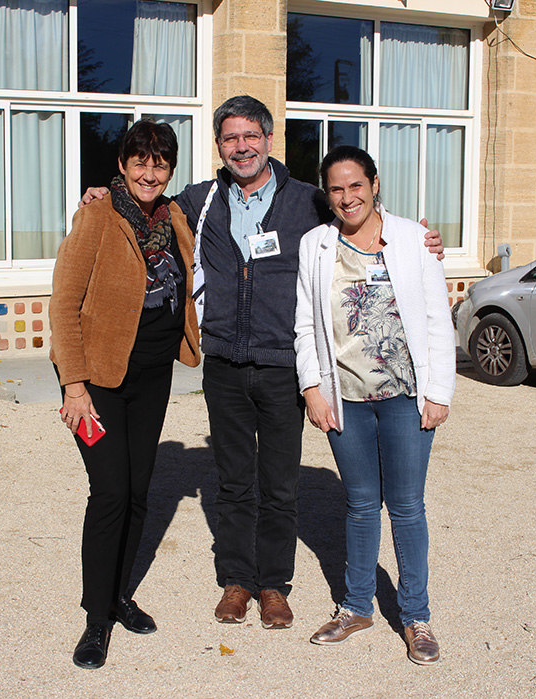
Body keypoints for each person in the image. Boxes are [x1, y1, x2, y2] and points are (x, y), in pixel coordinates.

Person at [80, 96, 445, 631]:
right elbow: (144, 198)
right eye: (230, 138)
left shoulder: (308, 200)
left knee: (279, 484)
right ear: (219, 146)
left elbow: (359, 215)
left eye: (251, 135)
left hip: (281, 365)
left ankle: (274, 584)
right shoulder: (199, 200)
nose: (241, 146)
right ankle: (237, 581)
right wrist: (102, 193)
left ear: (269, 140)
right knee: (232, 482)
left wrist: (418, 240)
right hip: (224, 363)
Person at [293, 145, 455, 665]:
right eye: (336, 189)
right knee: (361, 505)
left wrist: (439, 392)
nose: (347, 198)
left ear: (374, 184)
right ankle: (357, 606)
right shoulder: (316, 245)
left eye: (356, 186)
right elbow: (305, 324)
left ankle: (416, 616)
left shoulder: (412, 239)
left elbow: (437, 317)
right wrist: (312, 388)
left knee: (407, 507)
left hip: (406, 397)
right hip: (346, 399)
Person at [49, 119, 200, 669]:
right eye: (140, 163)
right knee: (110, 492)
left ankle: (118, 597)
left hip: (153, 375)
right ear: (122, 164)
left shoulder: (175, 216)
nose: (149, 174)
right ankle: (96, 618)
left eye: (160, 165)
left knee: (138, 493)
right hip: (99, 381)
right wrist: (73, 385)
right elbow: (64, 303)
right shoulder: (98, 214)